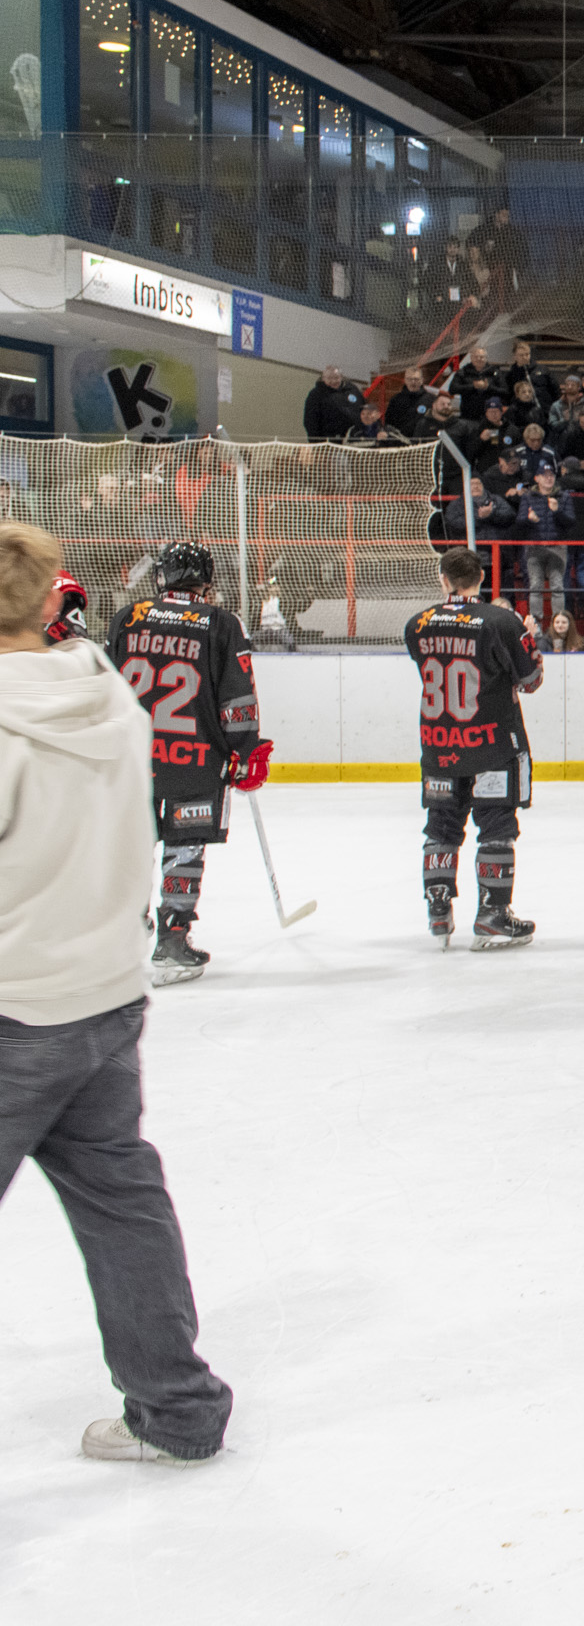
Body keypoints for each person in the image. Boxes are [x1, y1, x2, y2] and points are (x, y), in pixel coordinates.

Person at [0, 522, 234, 1468]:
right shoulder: (109, 694)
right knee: (122, 1201)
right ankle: (178, 1412)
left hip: (14, 1009)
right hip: (102, 998)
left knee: (122, 1201)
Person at [101, 541, 267, 986]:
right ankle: (173, 939)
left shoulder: (128, 616)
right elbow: (238, 695)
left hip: (132, 757)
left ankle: (127, 932)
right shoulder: (219, 623)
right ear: (206, 582)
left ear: (161, 577)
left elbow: (103, 685)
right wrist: (246, 749)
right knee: (185, 846)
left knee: (133, 844)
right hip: (194, 758)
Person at [406, 546, 545, 949]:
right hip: (493, 746)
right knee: (497, 828)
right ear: (481, 579)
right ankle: (492, 914)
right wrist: (527, 641)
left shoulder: (418, 624)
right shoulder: (501, 621)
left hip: (439, 744)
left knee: (441, 827)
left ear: (442, 579)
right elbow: (532, 680)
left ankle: (438, 909)